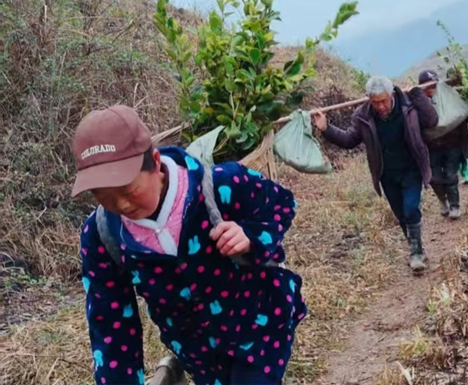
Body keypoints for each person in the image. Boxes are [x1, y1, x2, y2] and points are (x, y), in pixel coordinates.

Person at [72, 105, 305, 385]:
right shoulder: (102, 235)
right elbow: (111, 323)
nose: (121, 204)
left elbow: (281, 203)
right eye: (105, 197)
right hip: (196, 351)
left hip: (259, 326)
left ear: (156, 163)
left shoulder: (220, 185)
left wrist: (251, 236)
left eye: (130, 190)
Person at [312, 75, 438, 272]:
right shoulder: (363, 116)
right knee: (401, 215)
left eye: (383, 101)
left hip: (411, 168)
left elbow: (432, 120)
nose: (380, 106)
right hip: (386, 174)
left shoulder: (408, 106)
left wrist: (417, 94)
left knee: (411, 208)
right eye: (375, 102)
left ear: (392, 94)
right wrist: (326, 128)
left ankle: (416, 254)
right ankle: (417, 248)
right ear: (369, 99)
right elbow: (349, 140)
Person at [419, 70, 468, 219]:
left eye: (434, 86)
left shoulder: (449, 98)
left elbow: (463, 113)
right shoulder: (418, 102)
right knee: (434, 178)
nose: (431, 90)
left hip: (451, 144)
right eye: (427, 87)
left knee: (450, 174)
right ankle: (443, 200)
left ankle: (454, 205)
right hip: (431, 147)